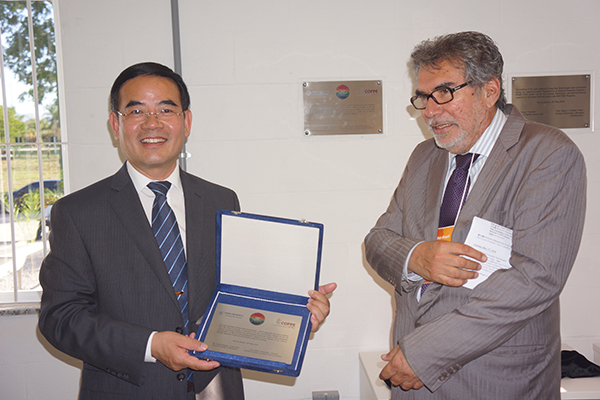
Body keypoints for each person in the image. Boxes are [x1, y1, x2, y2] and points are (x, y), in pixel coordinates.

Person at [38, 62, 337, 400]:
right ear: (116, 124)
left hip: (217, 388)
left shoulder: (221, 200)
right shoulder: (77, 212)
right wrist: (151, 344)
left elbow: (237, 298)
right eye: (136, 111)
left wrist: (293, 317)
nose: (152, 123)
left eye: (166, 110)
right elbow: (60, 318)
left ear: (186, 121)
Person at [364, 31, 586, 399]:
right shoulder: (424, 157)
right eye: (423, 97)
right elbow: (377, 241)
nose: (429, 111)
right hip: (413, 382)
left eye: (444, 93)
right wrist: (416, 256)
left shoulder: (547, 154)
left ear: (489, 90)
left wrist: (423, 354)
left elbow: (534, 279)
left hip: (496, 380)